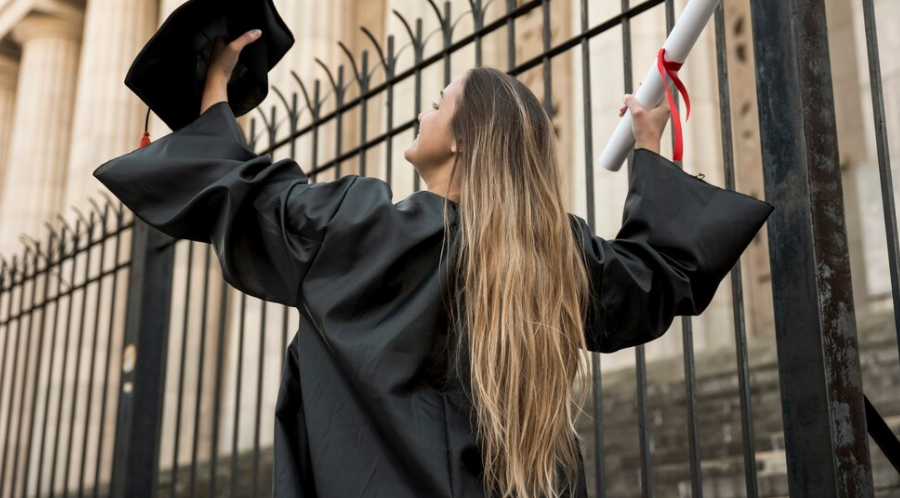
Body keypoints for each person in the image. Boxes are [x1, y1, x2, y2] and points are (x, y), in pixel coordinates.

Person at [94, 31, 773, 498]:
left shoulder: (370, 230)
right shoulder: (557, 260)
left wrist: (216, 86)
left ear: (466, 139)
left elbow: (244, 195)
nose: (424, 109)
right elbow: (661, 272)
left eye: (440, 99)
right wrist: (650, 155)